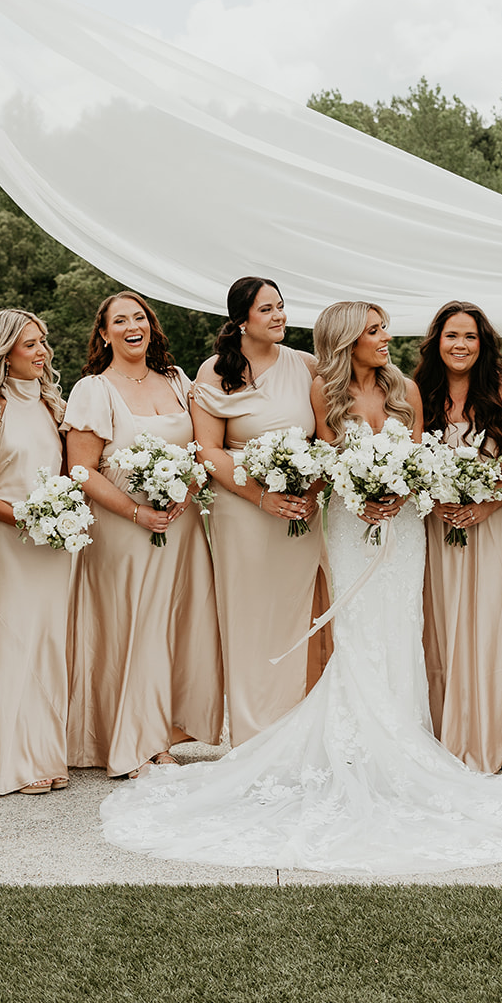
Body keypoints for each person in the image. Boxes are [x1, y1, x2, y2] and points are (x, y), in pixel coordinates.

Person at [99, 301, 502, 872]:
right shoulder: (322, 389)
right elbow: (330, 453)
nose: (387, 338)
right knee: (357, 629)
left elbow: (418, 453)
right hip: (350, 522)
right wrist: (362, 489)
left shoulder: (404, 385)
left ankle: (406, 738)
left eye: (384, 329)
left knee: (402, 622)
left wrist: (400, 493)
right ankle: (356, 750)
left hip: (403, 524)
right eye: (375, 331)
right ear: (348, 340)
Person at [63, 291, 223, 778]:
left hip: (182, 522)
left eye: (140, 317)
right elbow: (81, 470)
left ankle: (167, 731)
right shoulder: (94, 389)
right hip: (124, 530)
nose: (132, 326)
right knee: (134, 625)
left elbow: (202, 447)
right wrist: (137, 512)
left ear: (151, 325)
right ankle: (137, 740)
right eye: (120, 320)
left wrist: (184, 490)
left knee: (176, 622)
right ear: (104, 333)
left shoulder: (178, 381)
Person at [191, 276, 328, 745]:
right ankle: (254, 736)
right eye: (267, 309)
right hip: (243, 510)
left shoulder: (308, 365)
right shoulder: (214, 371)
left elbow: (327, 438)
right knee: (249, 616)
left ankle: (300, 729)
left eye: (281, 306)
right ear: (241, 319)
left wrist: (311, 488)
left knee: (299, 613)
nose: (279, 316)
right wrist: (261, 496)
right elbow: (208, 451)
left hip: (300, 510)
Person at [415, 301, 502, 772]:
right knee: (444, 625)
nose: (461, 346)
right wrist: (434, 495)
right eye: (452, 336)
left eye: (470, 337)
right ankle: (447, 733)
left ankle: (497, 736)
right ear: (438, 342)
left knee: (492, 622)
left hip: (493, 526)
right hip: (439, 525)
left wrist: (489, 503)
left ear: (482, 343)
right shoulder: (419, 392)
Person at [0, 309, 71, 796]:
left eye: (43, 342)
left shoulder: (54, 406)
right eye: (30, 345)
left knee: (48, 643)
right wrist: (23, 516)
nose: (42, 352)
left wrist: (61, 514)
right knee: (10, 643)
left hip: (56, 545)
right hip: (9, 541)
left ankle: (45, 753)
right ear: (4, 352)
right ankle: (8, 762)